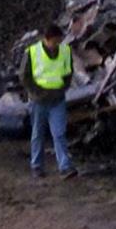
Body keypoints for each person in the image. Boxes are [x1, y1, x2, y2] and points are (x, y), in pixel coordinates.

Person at [22, 23, 76, 179]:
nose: (57, 44)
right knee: (38, 134)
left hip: (57, 99)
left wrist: (62, 89)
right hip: (39, 101)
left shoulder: (65, 51)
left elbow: (68, 72)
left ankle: (65, 167)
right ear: (46, 39)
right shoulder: (32, 52)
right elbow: (24, 76)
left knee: (59, 133)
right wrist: (36, 93)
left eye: (59, 41)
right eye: (55, 41)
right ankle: (37, 166)